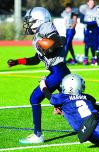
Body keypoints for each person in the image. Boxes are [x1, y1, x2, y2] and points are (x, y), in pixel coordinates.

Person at [7, 7, 71, 144]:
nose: (28, 24)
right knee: (73, 102)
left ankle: (38, 135)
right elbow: (36, 59)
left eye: (30, 21)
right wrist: (18, 61)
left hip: (58, 71)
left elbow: (57, 39)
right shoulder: (38, 36)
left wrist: (50, 45)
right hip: (60, 70)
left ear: (39, 20)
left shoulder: (45, 26)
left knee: (34, 98)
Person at [79, 0, 99, 65]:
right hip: (87, 29)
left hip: (94, 29)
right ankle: (85, 59)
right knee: (87, 45)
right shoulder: (84, 9)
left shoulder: (97, 9)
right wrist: (90, 23)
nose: (91, 4)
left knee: (93, 45)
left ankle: (94, 58)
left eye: (93, 3)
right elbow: (81, 20)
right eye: (90, 3)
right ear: (88, 3)